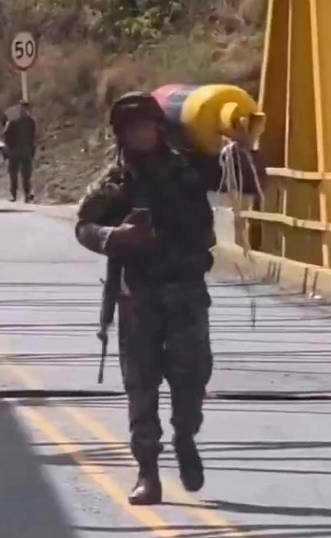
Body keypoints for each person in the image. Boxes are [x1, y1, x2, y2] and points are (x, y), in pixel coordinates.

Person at [75, 92, 218, 505]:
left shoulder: (189, 168)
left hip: (187, 291)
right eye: (132, 128)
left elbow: (243, 178)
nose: (141, 134)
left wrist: (244, 148)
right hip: (138, 294)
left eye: (147, 125)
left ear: (158, 127)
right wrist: (112, 237)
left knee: (192, 379)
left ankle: (185, 437)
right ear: (122, 135)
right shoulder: (115, 181)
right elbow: (83, 224)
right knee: (142, 385)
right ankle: (148, 470)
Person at [3, 101, 37, 203]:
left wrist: (32, 149)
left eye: (26, 109)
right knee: (13, 174)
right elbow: (5, 134)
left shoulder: (31, 122)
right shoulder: (13, 121)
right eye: (22, 108)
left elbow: (33, 136)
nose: (24, 111)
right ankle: (13, 194)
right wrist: (8, 148)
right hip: (15, 150)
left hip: (26, 150)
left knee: (26, 175)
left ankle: (27, 195)